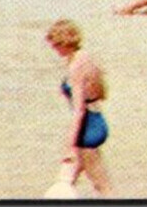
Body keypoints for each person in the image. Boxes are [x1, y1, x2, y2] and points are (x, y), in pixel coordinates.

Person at [46, 19, 112, 197]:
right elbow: (101, 92)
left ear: (64, 43)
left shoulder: (76, 67)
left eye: (55, 45)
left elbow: (79, 110)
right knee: (66, 180)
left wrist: (70, 145)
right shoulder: (86, 57)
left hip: (87, 129)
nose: (54, 50)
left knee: (102, 186)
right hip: (95, 120)